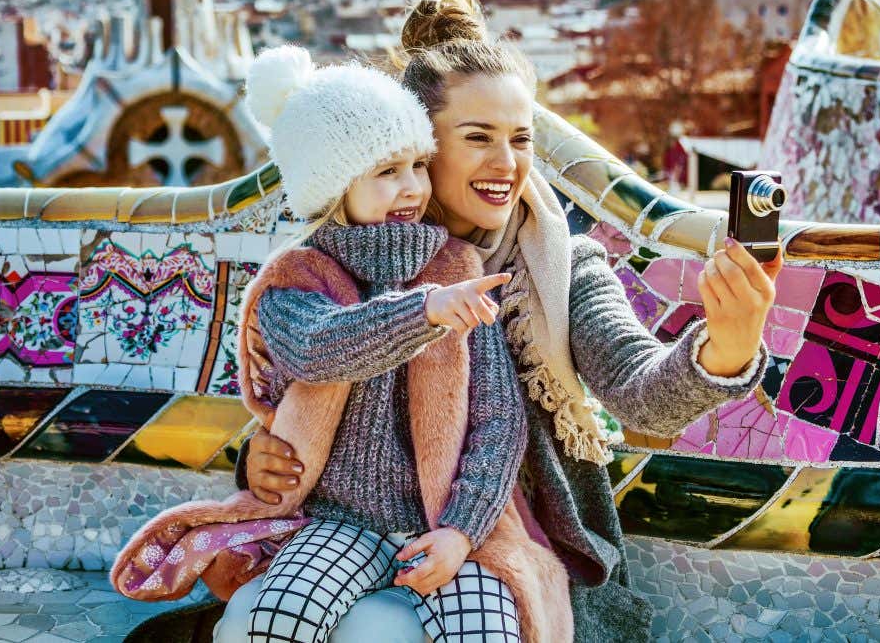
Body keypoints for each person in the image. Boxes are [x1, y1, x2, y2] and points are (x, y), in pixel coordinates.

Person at [229, 0, 783, 642]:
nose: (507, 163)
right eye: (478, 138)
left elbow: (641, 391)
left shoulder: (560, 264)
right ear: (422, 145)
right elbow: (308, 371)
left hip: (510, 540)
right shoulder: (349, 250)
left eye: (520, 139)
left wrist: (727, 346)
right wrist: (261, 459)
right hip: (353, 532)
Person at [112, 47, 571, 643]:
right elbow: (320, 348)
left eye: (417, 165)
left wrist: (461, 529)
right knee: (276, 622)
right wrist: (424, 312)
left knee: (488, 631)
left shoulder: (456, 264)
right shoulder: (298, 279)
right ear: (334, 187)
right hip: (339, 521)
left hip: (451, 527)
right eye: (385, 172)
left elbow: (498, 421)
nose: (411, 188)